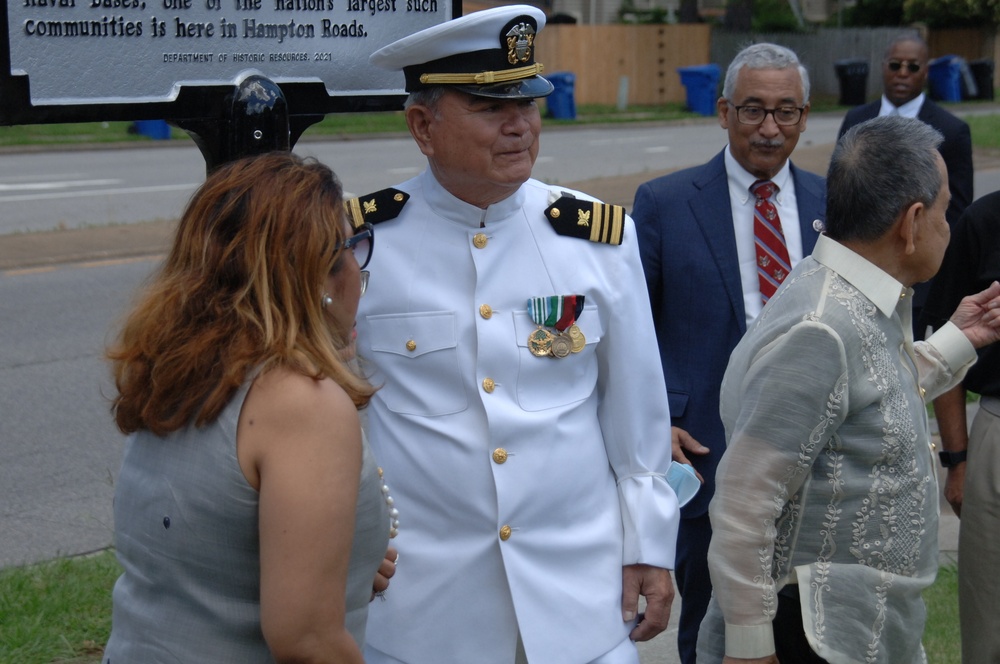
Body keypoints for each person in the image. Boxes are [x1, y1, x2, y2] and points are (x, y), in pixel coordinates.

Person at [350, 6, 679, 663]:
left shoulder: (595, 240)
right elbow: (337, 415)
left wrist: (648, 544)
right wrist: (347, 538)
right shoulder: (360, 247)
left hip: (580, 603)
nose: (519, 125)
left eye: (528, 103)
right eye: (487, 107)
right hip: (423, 612)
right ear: (422, 125)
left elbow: (635, 413)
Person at [697, 115, 1000, 664]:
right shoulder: (822, 326)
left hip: (853, 628)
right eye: (943, 211)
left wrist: (962, 338)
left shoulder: (848, 293)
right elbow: (744, 502)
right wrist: (749, 646)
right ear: (911, 222)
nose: (948, 227)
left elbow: (866, 398)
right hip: (813, 634)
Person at [103, 152, 396, 663]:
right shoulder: (301, 402)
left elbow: (206, 542)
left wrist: (347, 564)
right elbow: (305, 638)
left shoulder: (183, 369)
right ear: (317, 275)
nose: (359, 269)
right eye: (354, 247)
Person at [631, 42, 826, 664]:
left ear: (804, 115)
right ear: (723, 112)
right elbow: (632, 328)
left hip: (813, 454)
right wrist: (657, 418)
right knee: (712, 626)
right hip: (707, 448)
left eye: (786, 112)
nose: (770, 128)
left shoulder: (833, 204)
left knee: (806, 626)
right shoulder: (665, 203)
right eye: (753, 110)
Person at [838, 33, 973, 337]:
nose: (902, 73)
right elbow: (840, 197)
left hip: (917, 282)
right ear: (883, 66)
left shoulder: (951, 131)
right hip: (858, 272)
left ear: (925, 71)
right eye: (895, 64)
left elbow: (957, 211)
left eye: (912, 67)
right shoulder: (856, 120)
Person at [919, 191, 1000, 664]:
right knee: (989, 622)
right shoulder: (985, 219)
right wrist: (958, 460)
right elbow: (946, 335)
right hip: (995, 428)